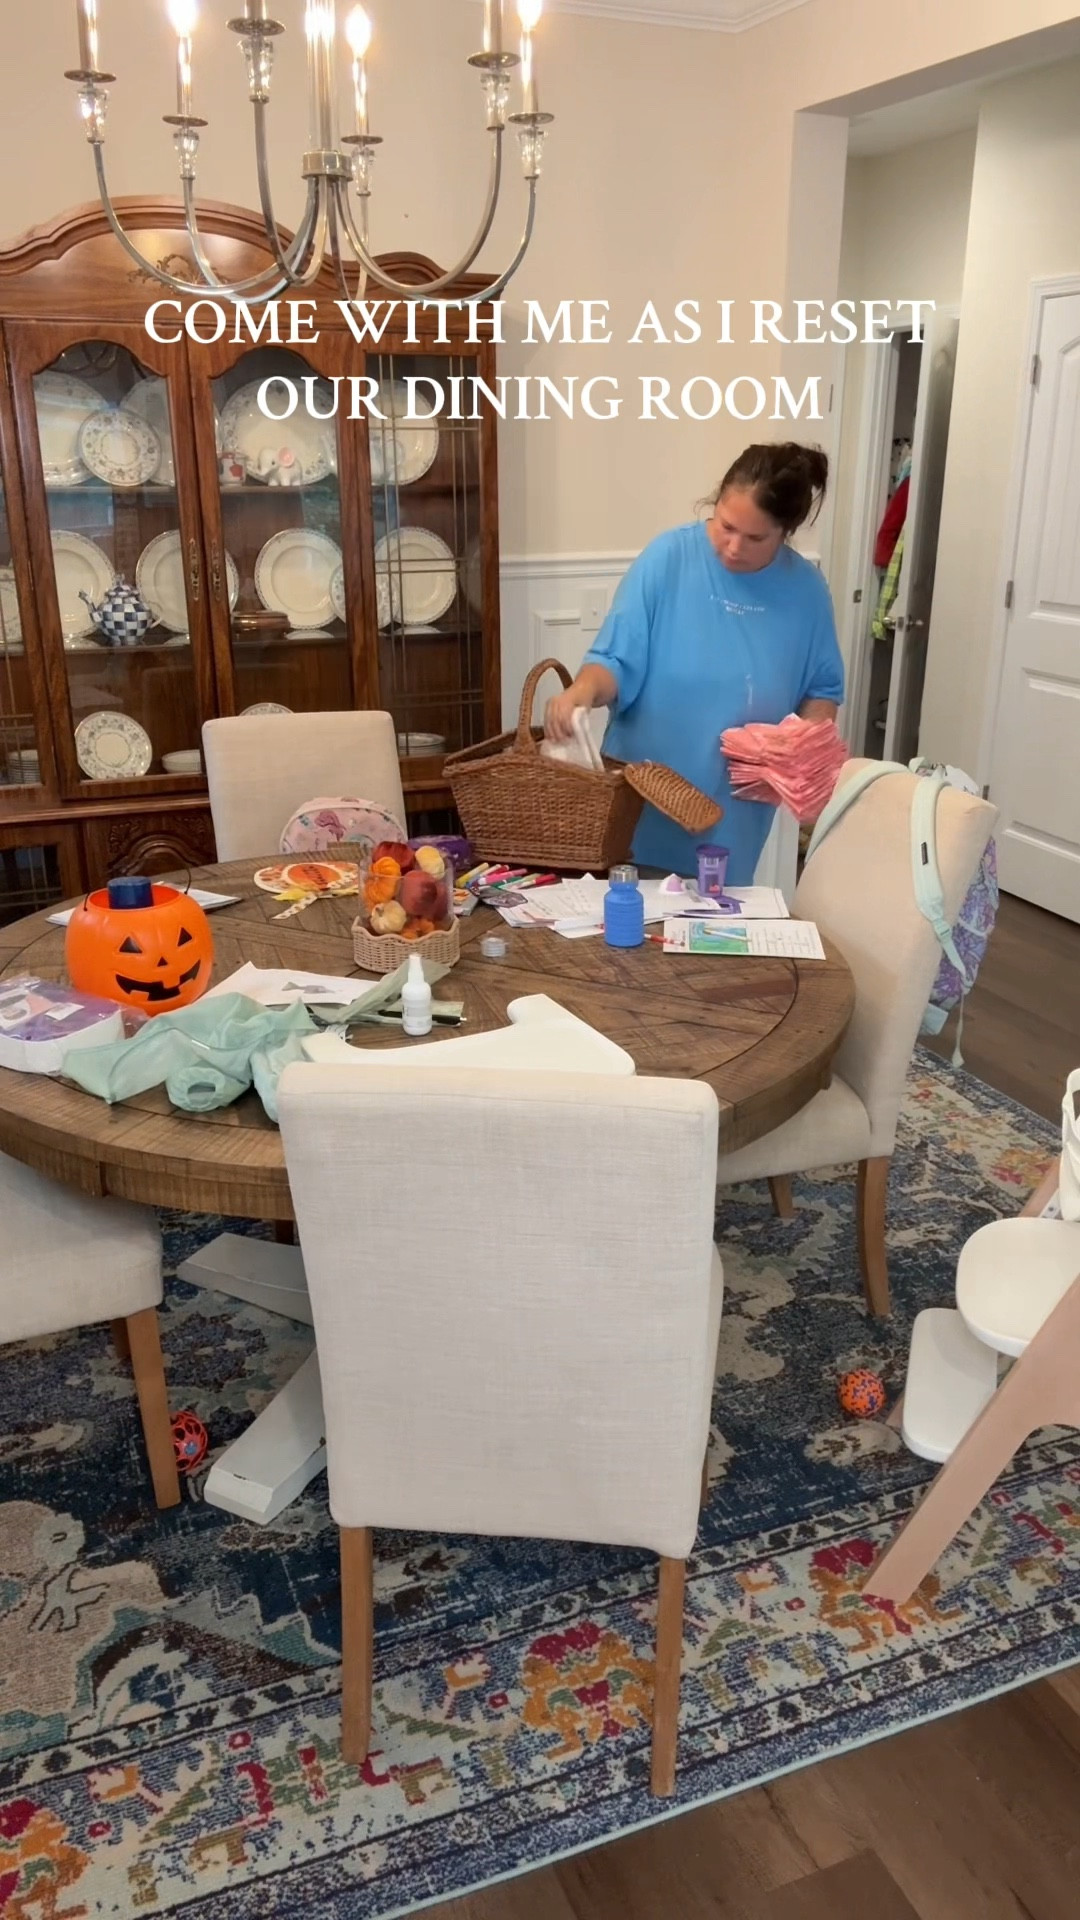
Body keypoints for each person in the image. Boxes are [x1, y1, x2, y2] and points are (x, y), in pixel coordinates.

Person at [544, 443, 844, 883]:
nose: (733, 546)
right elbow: (613, 660)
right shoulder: (667, 560)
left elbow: (823, 691)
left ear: (785, 532)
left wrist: (800, 751)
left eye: (755, 537)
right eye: (726, 525)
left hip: (734, 816)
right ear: (716, 500)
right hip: (640, 802)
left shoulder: (807, 592)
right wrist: (582, 693)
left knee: (710, 938)